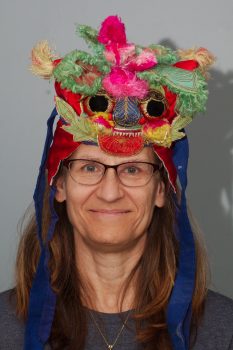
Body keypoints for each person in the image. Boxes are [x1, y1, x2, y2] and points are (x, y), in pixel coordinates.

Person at [0, 15, 233, 350]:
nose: (110, 192)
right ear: (59, 184)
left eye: (133, 170)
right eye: (90, 168)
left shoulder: (222, 331)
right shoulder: (5, 328)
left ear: (161, 190)